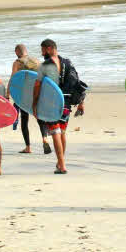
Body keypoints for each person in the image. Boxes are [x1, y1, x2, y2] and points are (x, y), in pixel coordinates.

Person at [33, 39, 85, 174]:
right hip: (66, 102)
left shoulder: (44, 66)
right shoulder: (68, 62)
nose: (42, 53)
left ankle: (62, 165)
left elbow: (37, 85)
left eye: (43, 50)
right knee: (61, 132)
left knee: (55, 132)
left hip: (53, 102)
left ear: (50, 48)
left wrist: (34, 102)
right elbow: (78, 83)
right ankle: (60, 162)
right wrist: (81, 102)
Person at [10, 44, 49, 155]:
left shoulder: (17, 62)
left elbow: (13, 78)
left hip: (25, 95)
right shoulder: (36, 61)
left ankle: (28, 147)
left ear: (17, 52)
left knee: (24, 119)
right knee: (40, 118)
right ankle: (45, 139)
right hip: (38, 93)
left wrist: (8, 93)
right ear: (26, 51)